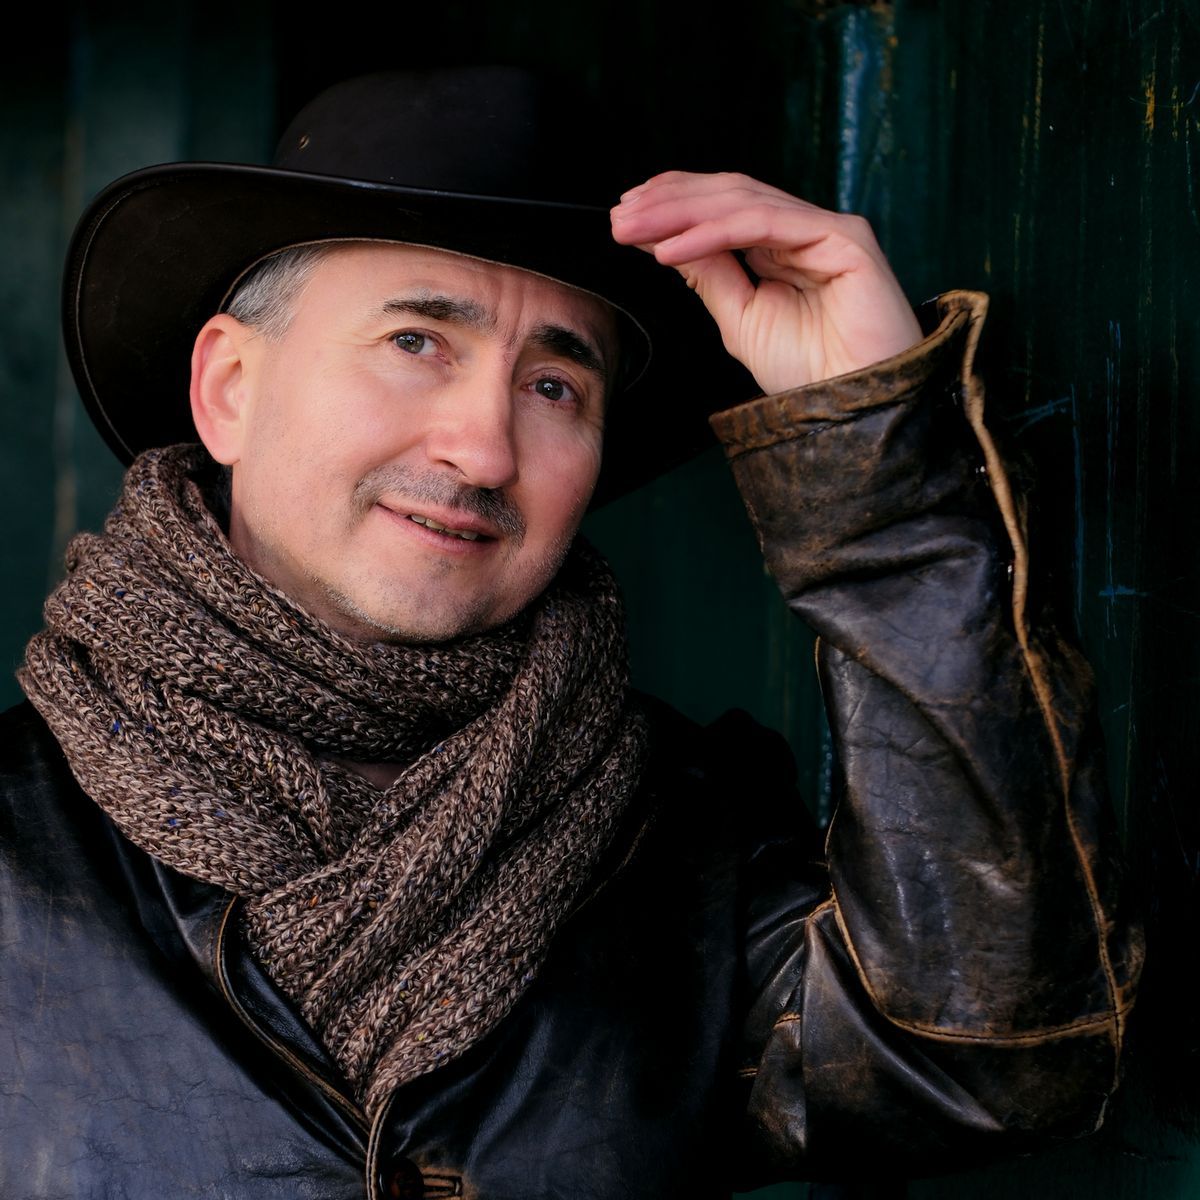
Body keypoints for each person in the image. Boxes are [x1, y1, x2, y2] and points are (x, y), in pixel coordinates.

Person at [0, 69, 1139, 1199]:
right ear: (230, 387)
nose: (485, 450)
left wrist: (878, 479)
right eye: (416, 343)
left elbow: (982, 1063)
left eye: (554, 387)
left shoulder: (689, 842)